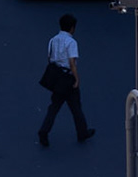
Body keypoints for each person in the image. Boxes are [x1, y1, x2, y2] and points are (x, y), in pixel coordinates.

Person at [39, 13, 96, 146]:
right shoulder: (71, 42)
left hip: (57, 78)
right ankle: (82, 133)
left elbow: (50, 58)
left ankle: (44, 131)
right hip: (67, 78)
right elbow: (72, 62)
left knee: (54, 107)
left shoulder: (53, 40)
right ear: (72, 28)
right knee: (76, 107)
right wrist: (76, 79)